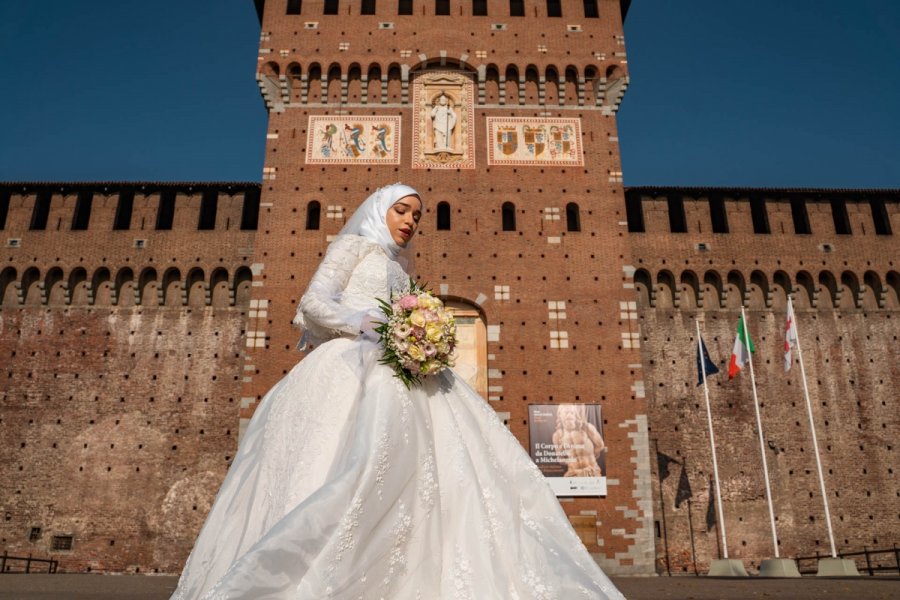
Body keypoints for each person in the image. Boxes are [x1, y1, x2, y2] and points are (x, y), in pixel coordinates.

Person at [170, 184, 625, 600]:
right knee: (346, 462)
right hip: (349, 366)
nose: (409, 221)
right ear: (378, 211)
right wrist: (356, 323)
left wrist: (421, 339)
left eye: (417, 216)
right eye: (401, 210)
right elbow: (312, 301)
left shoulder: (400, 269)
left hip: (403, 370)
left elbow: (406, 310)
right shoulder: (354, 246)